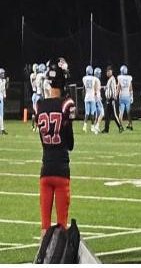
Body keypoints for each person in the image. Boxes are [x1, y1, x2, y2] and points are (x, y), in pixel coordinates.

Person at [37, 58, 75, 235]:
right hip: (61, 170)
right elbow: (71, 144)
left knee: (45, 228)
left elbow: (42, 139)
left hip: (45, 170)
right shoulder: (66, 104)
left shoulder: (39, 105)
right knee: (62, 227)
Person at [81, 65, 102, 134]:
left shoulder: (84, 78)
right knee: (92, 113)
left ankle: (84, 126)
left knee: (87, 113)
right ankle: (92, 127)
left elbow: (83, 89)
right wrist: (96, 95)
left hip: (87, 97)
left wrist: (83, 96)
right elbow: (95, 88)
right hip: (92, 97)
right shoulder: (94, 79)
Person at [102, 66, 122, 133]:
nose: (107, 73)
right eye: (107, 71)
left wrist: (114, 98)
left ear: (111, 72)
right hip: (108, 100)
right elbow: (108, 88)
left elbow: (113, 89)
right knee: (107, 115)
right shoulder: (109, 79)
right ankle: (106, 129)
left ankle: (120, 127)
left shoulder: (112, 79)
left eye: (108, 71)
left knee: (114, 115)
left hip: (111, 99)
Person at [117, 65, 134, 131]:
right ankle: (130, 125)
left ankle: (121, 126)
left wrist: (116, 95)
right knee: (128, 112)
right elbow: (131, 88)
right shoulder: (129, 78)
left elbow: (118, 87)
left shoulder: (120, 77)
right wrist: (132, 96)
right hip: (128, 96)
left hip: (122, 97)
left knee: (121, 113)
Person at [0, 68, 6, 135]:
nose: (3, 74)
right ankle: (2, 129)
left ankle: (2, 129)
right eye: (2, 73)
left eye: (3, 73)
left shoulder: (3, 81)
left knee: (1, 114)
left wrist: (4, 96)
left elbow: (3, 89)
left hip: (1, 97)